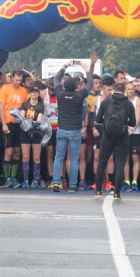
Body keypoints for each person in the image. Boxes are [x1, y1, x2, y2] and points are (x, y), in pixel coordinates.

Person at [94, 81, 137, 199]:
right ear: (124, 92)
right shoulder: (128, 104)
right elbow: (133, 123)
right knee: (120, 164)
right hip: (122, 137)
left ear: (113, 90)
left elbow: (98, 120)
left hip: (107, 136)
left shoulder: (106, 102)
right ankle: (117, 192)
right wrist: (124, 123)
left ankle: (98, 190)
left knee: (102, 162)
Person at [51, 64, 88, 192]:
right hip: (75, 131)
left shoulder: (60, 94)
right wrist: (86, 69)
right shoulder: (79, 96)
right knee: (73, 158)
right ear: (77, 87)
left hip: (62, 129)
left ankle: (56, 182)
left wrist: (63, 67)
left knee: (59, 157)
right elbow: (90, 84)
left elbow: (56, 79)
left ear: (64, 86)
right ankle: (73, 185)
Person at [0, 71, 28, 187]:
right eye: (16, 80)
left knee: (17, 151)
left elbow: (25, 108)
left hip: (19, 124)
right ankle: (7, 177)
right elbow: (0, 107)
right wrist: (4, 124)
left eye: (20, 80)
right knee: (8, 151)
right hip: (8, 122)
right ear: (12, 78)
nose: (18, 83)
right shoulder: (4, 89)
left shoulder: (24, 91)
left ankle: (14, 177)